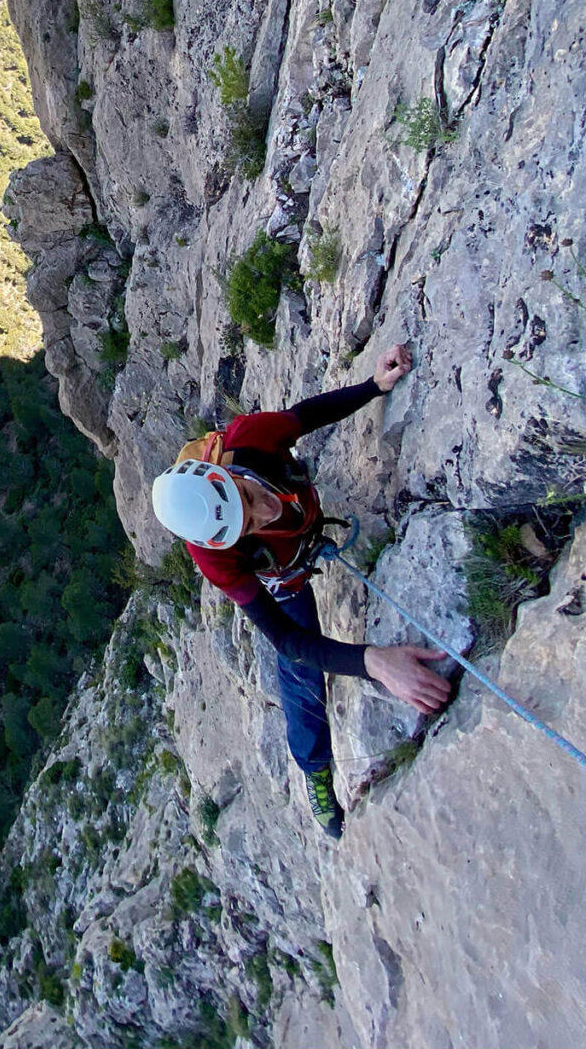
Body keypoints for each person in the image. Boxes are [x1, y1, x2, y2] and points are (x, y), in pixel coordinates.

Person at [151, 344, 451, 838]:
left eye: (247, 496)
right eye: (247, 523)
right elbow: (285, 638)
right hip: (286, 575)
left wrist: (374, 385)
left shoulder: (249, 440)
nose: (261, 511)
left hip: (303, 533)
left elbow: (305, 416)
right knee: (300, 668)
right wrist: (371, 661)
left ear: (225, 472)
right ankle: (315, 770)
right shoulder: (215, 556)